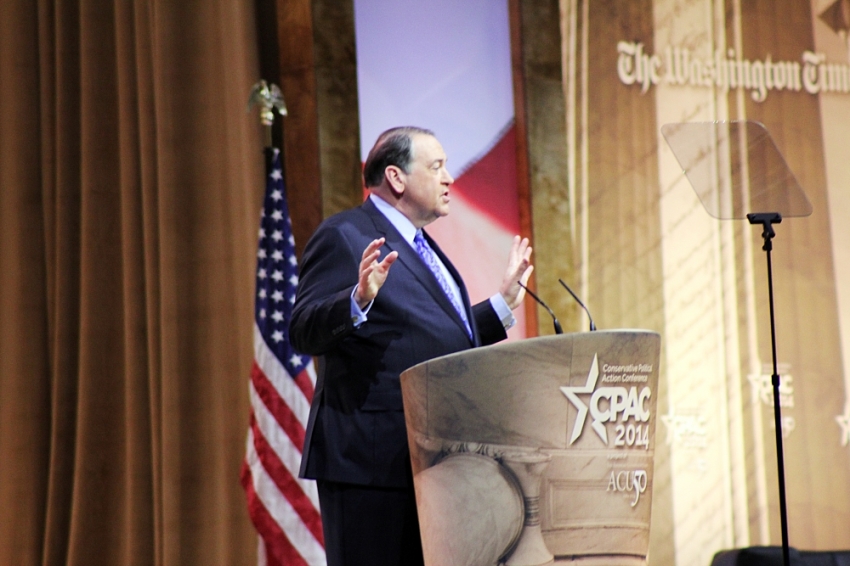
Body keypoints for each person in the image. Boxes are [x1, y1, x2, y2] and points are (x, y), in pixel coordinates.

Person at [290, 126, 533, 566]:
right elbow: (303, 328)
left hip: (429, 460)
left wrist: (501, 305)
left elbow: (430, 340)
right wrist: (356, 300)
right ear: (396, 178)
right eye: (436, 166)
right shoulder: (345, 234)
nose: (449, 178)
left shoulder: (425, 247)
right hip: (372, 466)